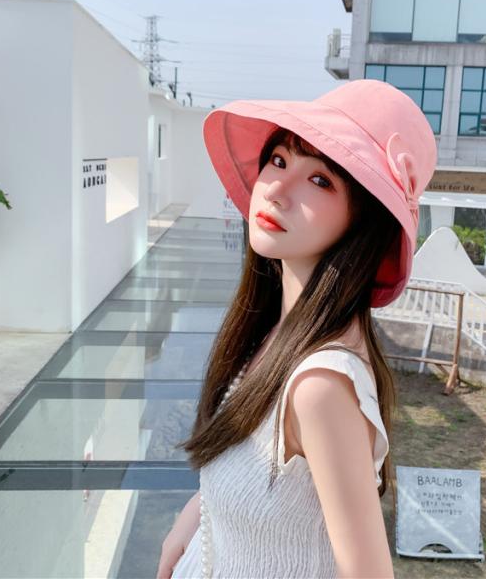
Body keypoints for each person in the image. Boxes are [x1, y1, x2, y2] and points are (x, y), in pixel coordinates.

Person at [156, 79, 437, 579]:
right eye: (279, 159)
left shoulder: (319, 387)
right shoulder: (274, 333)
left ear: (363, 221)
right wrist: (196, 517)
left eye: (321, 180)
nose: (277, 189)